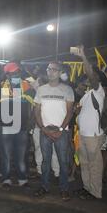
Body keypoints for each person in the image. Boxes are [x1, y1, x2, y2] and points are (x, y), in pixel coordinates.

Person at [34, 61, 75, 201]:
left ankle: (64, 189)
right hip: (45, 130)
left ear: (60, 72)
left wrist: (61, 129)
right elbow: (36, 111)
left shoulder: (67, 90)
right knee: (45, 161)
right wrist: (43, 128)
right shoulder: (41, 89)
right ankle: (44, 186)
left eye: (54, 69)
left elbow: (70, 112)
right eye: (48, 69)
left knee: (63, 161)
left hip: (61, 132)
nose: (50, 72)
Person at [72, 46, 106, 199]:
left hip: (93, 135)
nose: (88, 79)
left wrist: (83, 57)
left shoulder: (98, 91)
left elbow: (90, 75)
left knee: (95, 165)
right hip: (83, 134)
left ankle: (96, 192)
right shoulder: (86, 95)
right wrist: (77, 113)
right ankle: (87, 188)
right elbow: (82, 112)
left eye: (91, 78)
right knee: (85, 164)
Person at [0, 62, 35, 190]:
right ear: (7, 74)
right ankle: (6, 179)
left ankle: (22, 179)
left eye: (17, 72)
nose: (15, 74)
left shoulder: (26, 85)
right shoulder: (0, 86)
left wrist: (31, 121)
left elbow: (32, 105)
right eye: (12, 73)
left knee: (21, 155)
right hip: (5, 127)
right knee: (6, 156)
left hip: (22, 127)